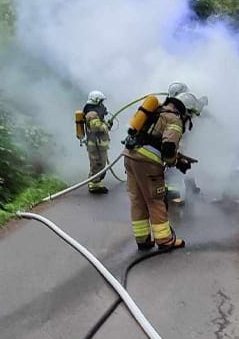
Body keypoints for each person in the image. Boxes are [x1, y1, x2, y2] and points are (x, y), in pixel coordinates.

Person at [123, 91, 202, 250]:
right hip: (147, 163)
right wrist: (176, 163)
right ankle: (164, 240)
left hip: (130, 157)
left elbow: (153, 140)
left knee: (138, 200)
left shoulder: (157, 111)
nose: (189, 119)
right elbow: (167, 148)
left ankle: (143, 240)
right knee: (156, 200)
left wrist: (178, 158)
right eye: (191, 115)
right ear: (186, 110)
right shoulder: (175, 120)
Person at [82, 90, 111, 194]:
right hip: (95, 145)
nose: (102, 104)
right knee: (97, 164)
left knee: (101, 165)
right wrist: (106, 126)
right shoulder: (92, 113)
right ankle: (94, 185)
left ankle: (96, 183)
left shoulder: (95, 113)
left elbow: (99, 125)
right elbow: (96, 128)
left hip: (99, 144)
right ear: (96, 100)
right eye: (101, 101)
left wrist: (107, 124)